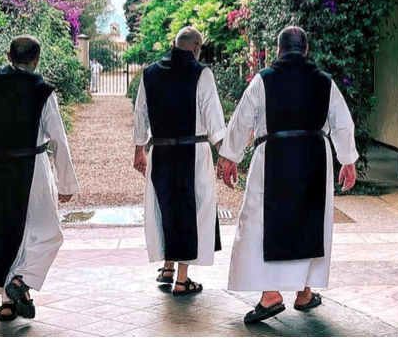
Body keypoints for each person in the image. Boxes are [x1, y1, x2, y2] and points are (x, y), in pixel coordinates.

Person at [217, 26, 358, 325]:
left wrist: (230, 156)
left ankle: (271, 294)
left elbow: (242, 118)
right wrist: (347, 160)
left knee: (261, 223)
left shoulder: (263, 79)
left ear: (278, 49)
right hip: (314, 159)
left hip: (273, 156)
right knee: (309, 222)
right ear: (306, 50)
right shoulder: (325, 82)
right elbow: (342, 124)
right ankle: (304, 293)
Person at [0, 36, 79, 323]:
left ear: (9, 55)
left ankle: (8, 303)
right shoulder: (42, 91)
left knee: (1, 234)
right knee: (47, 233)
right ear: (37, 59)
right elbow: (58, 139)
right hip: (32, 168)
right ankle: (21, 282)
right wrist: (66, 183)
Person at [133, 26, 227, 296]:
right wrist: (226, 155)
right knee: (193, 211)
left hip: (161, 152)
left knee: (166, 207)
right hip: (193, 152)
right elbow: (214, 120)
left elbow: (141, 114)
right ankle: (183, 279)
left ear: (174, 44)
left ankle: (167, 266)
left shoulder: (149, 73)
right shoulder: (201, 73)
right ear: (197, 48)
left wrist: (139, 150)